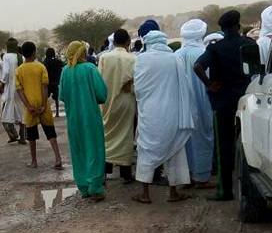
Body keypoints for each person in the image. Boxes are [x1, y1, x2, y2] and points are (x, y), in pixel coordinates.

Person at [194, 10, 258, 201]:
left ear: (222, 29)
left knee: (224, 146)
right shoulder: (249, 44)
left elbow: (198, 66)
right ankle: (250, 188)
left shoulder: (215, 48)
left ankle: (225, 190)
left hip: (222, 101)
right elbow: (256, 70)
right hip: (246, 99)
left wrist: (209, 84)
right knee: (248, 143)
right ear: (238, 26)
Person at [134, 30, 195, 203]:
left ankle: (145, 193)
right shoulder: (174, 59)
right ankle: (173, 192)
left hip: (149, 111)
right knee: (174, 148)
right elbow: (184, 85)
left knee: (145, 149)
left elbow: (138, 89)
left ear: (148, 43)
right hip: (172, 110)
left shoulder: (141, 59)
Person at [59, 41, 108, 201]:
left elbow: (62, 96)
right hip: (91, 117)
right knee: (94, 149)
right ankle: (95, 187)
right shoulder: (89, 69)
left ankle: (84, 187)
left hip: (73, 118)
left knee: (78, 150)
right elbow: (101, 94)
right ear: (82, 53)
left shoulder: (65, 71)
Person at [175, 19, 215, 188]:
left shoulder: (176, 55)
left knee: (186, 140)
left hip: (182, 104)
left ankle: (187, 176)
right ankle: (202, 177)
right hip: (203, 101)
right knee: (204, 136)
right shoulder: (204, 52)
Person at [16, 41, 62, 170]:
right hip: (43, 104)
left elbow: (19, 90)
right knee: (50, 133)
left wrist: (28, 106)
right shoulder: (41, 67)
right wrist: (42, 105)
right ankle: (58, 158)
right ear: (34, 52)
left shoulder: (19, 70)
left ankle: (34, 161)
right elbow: (44, 87)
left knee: (31, 136)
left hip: (29, 106)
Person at [98, 28, 137, 183]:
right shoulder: (133, 58)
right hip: (126, 99)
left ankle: (105, 170)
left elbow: (99, 80)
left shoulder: (104, 58)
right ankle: (125, 173)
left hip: (107, 100)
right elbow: (135, 80)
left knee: (107, 132)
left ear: (113, 42)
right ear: (128, 41)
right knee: (126, 133)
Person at [0, 38, 25, 144]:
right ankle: (22, 137)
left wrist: (2, 83)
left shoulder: (6, 56)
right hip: (20, 89)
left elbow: (5, 73)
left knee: (5, 113)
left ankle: (13, 135)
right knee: (21, 113)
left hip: (10, 89)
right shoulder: (21, 57)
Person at [43, 47, 64, 117]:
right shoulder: (57, 61)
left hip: (47, 82)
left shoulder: (45, 62)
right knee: (56, 98)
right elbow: (63, 64)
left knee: (45, 97)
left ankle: (45, 111)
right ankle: (57, 113)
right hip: (55, 82)